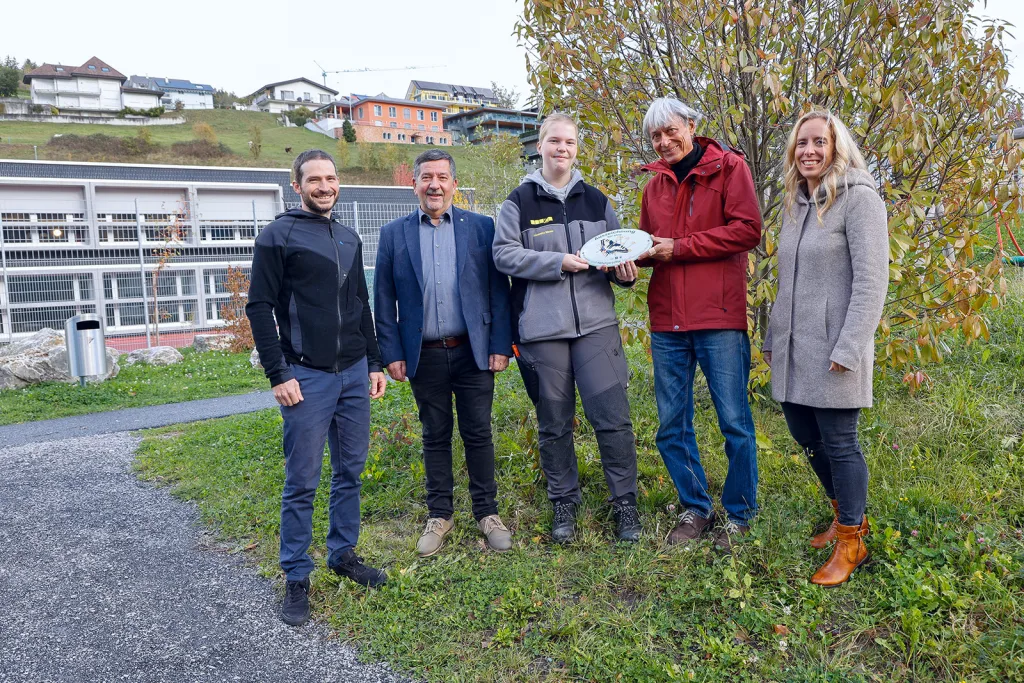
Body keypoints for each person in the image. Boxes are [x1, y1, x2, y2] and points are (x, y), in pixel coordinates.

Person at [246, 149, 387, 627]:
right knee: (302, 480)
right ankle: (296, 575)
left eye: (330, 178)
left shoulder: (349, 236)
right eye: (314, 180)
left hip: (353, 373)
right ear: (297, 186)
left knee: (350, 471)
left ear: (338, 182)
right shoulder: (277, 236)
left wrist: (374, 362)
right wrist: (278, 373)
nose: (324, 186)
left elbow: (361, 303)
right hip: (305, 376)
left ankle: (343, 554)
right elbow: (259, 307)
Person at [493, 113, 642, 544]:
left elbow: (617, 253)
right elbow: (503, 254)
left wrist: (626, 274)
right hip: (543, 331)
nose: (562, 148)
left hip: (596, 328)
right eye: (554, 141)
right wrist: (556, 262)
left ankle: (625, 503)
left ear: (577, 149)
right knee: (555, 423)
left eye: (570, 142)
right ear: (539, 146)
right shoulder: (519, 201)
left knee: (613, 419)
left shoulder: (597, 201)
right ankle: (564, 501)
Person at [763, 110, 888, 586]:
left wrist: (850, 346)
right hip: (796, 347)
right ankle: (844, 516)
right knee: (804, 434)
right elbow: (788, 282)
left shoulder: (860, 199)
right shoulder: (797, 202)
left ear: (837, 147)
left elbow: (872, 281)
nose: (810, 150)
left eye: (819, 141)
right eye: (802, 143)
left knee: (839, 442)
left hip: (836, 347)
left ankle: (852, 540)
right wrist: (774, 337)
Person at [374, 149, 515, 557]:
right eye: (426, 177)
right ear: (414, 184)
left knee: (478, 432)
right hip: (425, 355)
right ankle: (440, 515)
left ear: (454, 183)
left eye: (441, 177)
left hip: (473, 352)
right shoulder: (393, 234)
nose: (434, 185)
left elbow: (498, 291)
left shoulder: (481, 227)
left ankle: (487, 513)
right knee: (434, 435)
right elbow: (382, 298)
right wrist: (391, 352)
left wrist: (499, 345)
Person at [636, 97, 762, 551]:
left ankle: (740, 514)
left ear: (691, 126)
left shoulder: (729, 169)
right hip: (667, 320)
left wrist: (680, 247)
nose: (664, 141)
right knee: (671, 424)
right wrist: (629, 260)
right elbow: (651, 246)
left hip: (718, 317)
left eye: (671, 130)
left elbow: (747, 230)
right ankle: (696, 507)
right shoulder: (653, 188)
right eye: (656, 136)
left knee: (734, 421)